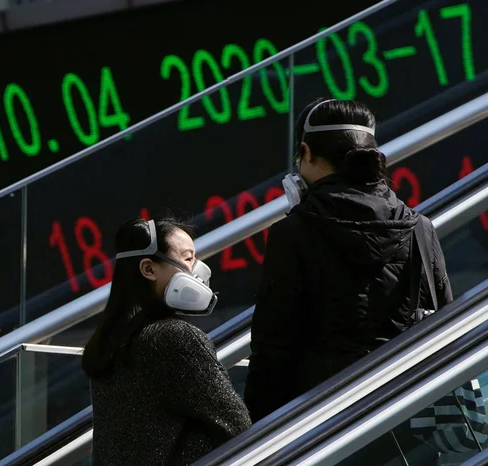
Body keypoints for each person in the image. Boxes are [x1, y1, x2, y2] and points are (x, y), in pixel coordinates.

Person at [244, 98, 452, 425]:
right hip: (409, 413)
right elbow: (444, 323)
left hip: (323, 422)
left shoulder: (293, 232)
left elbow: (274, 349)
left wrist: (256, 430)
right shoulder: (419, 228)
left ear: (306, 151)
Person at [83, 217, 251, 465]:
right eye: (187, 258)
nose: (197, 270)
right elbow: (237, 426)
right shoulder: (175, 339)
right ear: (148, 269)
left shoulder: (111, 343)